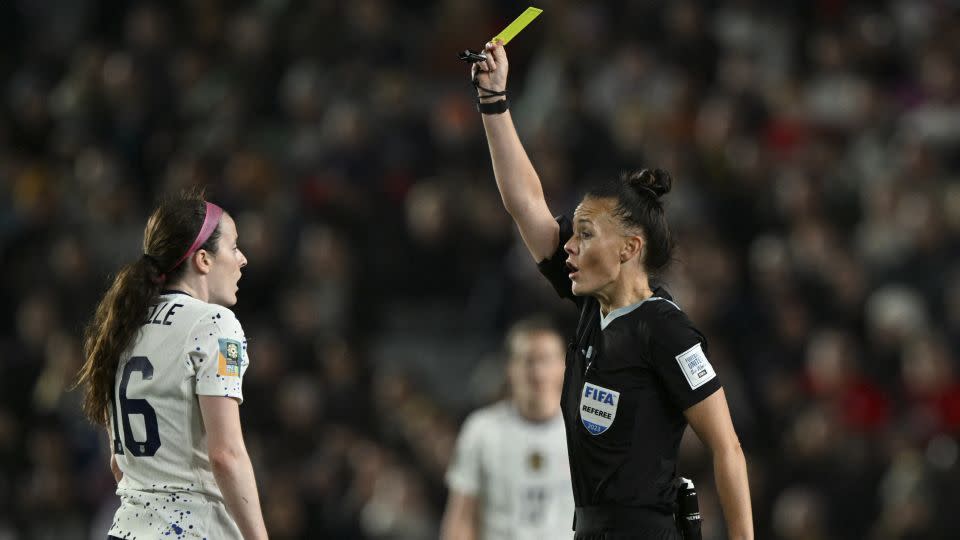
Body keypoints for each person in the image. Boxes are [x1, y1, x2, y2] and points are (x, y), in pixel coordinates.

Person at [470, 41, 754, 540]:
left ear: (628, 249)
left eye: (585, 234)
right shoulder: (591, 307)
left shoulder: (666, 330)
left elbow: (727, 446)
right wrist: (494, 102)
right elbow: (526, 204)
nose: (570, 247)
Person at [75, 191, 268, 540]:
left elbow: (119, 465)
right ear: (204, 260)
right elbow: (225, 455)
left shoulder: (123, 324)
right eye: (234, 246)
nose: (243, 259)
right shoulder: (215, 324)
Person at [441, 318, 575, 540]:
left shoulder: (586, 430)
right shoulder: (482, 430)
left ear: (564, 365)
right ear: (510, 367)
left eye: (547, 360)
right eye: (528, 361)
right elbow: (462, 517)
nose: (538, 372)